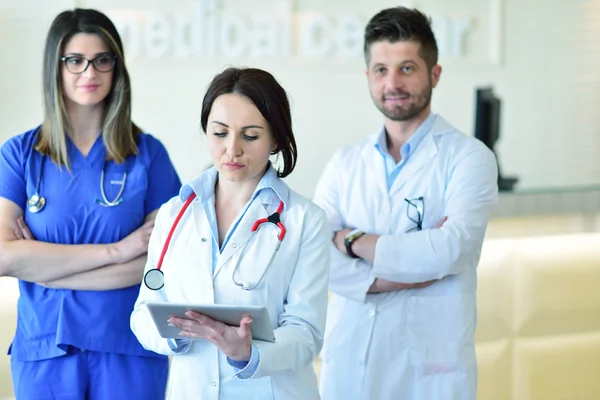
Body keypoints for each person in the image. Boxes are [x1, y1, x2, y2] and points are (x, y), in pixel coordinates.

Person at [314, 6, 499, 400]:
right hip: (350, 365)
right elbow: (314, 256)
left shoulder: (470, 158)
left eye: (407, 68)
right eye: (381, 69)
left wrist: (353, 241)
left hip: (429, 372)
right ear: (368, 77)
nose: (392, 82)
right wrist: (406, 270)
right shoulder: (345, 163)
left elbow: (450, 248)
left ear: (434, 74)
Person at [0, 8, 181, 399]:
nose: (90, 73)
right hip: (45, 349)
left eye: (102, 60)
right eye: (75, 61)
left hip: (129, 346)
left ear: (117, 67)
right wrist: (118, 250)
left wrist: (45, 269)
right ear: (56, 67)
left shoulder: (148, 156)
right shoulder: (20, 155)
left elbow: (162, 265)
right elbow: (3, 257)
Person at [130, 67, 330, 400]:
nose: (232, 149)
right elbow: (143, 314)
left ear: (276, 138)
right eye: (219, 133)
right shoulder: (173, 214)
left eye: (250, 136)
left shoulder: (305, 220)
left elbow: (306, 332)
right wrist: (178, 332)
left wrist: (248, 351)